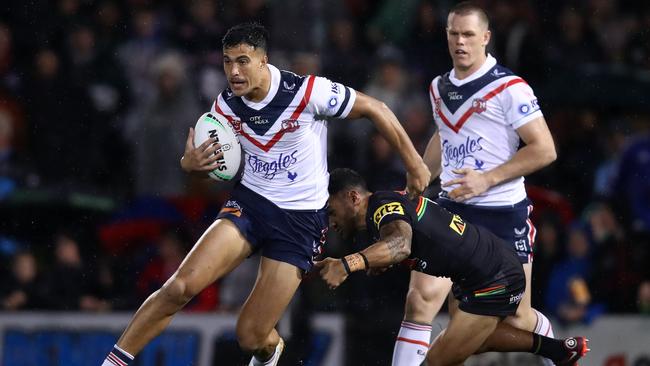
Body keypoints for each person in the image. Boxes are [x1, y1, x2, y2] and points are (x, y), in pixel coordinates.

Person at [101, 23, 430, 366]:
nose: (234, 71)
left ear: (263, 61)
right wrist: (191, 163)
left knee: (251, 336)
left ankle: (271, 354)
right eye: (228, 62)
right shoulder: (226, 105)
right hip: (251, 204)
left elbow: (376, 107)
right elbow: (210, 162)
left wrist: (415, 164)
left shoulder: (307, 92)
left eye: (243, 61)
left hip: (300, 221)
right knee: (180, 287)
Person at [392, 3, 558, 365]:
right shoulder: (439, 87)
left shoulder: (510, 88)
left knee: (517, 319)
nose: (460, 42)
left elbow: (544, 149)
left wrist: (488, 179)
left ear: (486, 38)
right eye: (453, 34)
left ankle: (555, 351)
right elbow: (445, 134)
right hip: (453, 212)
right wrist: (420, 174)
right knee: (420, 300)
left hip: (503, 214)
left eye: (468, 34)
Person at [316, 168, 588, 366]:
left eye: (330, 211)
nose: (331, 221)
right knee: (472, 342)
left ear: (353, 197)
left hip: (493, 280)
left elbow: (400, 244)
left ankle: (557, 350)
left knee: (437, 360)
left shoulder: (382, 208)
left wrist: (348, 263)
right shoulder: (386, 205)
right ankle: (558, 350)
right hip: (482, 274)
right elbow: (403, 244)